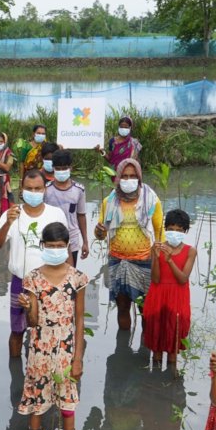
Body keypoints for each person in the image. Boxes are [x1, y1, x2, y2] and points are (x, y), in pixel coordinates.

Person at [17, 222, 88, 430]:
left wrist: (78, 359)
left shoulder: (78, 278)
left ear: (67, 246)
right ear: (42, 246)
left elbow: (80, 320)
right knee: (37, 404)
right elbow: (32, 322)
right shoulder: (33, 278)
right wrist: (28, 307)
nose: (55, 249)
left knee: (67, 405)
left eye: (59, 246)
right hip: (39, 348)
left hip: (66, 349)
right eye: (50, 246)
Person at [0, 170, 67, 358]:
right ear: (22, 190)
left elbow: (65, 249)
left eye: (38, 188)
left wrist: (67, 283)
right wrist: (8, 223)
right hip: (21, 282)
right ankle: (15, 374)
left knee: (51, 329)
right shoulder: (12, 214)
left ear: (44, 190)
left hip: (51, 282)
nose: (34, 192)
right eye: (29, 188)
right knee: (17, 331)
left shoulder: (55, 213)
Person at [93, 158, 166, 331]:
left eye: (132, 176)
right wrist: (99, 231)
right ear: (118, 178)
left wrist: (160, 259)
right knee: (122, 307)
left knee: (146, 310)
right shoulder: (108, 202)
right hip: (118, 261)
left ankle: (145, 349)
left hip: (145, 262)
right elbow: (100, 235)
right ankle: (123, 346)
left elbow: (159, 231)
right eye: (124, 176)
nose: (128, 180)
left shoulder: (151, 199)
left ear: (139, 178)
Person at [142, 208, 197, 368]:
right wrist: (157, 258)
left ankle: (171, 380)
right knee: (157, 343)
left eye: (179, 230)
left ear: (185, 231)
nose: (175, 233)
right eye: (171, 229)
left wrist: (170, 260)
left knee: (174, 344)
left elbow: (182, 279)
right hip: (158, 295)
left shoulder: (190, 251)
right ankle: (155, 378)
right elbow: (156, 279)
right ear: (165, 229)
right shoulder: (158, 248)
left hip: (177, 297)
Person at [44, 149, 89, 266]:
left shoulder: (79, 190)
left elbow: (81, 215)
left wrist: (85, 241)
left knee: (70, 277)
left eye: (64, 168)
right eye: (58, 169)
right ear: (53, 168)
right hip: (50, 240)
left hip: (72, 240)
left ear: (71, 168)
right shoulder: (46, 190)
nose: (61, 171)